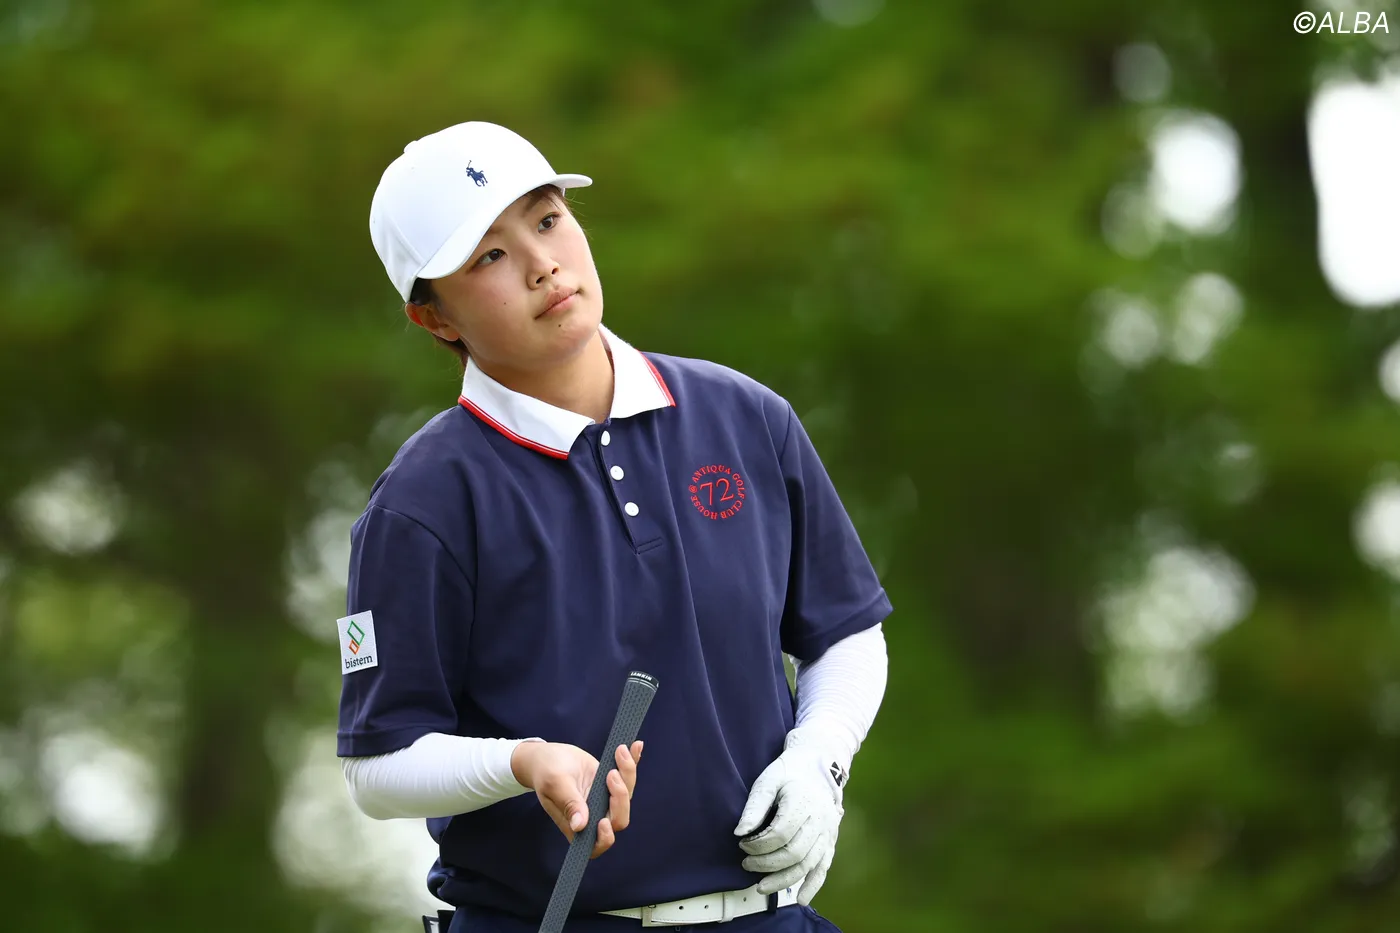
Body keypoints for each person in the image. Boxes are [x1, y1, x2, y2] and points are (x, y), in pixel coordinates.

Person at [337, 121, 891, 933]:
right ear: (435, 319)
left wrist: (821, 757)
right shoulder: (423, 501)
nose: (542, 264)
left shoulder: (746, 416)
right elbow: (378, 763)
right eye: (489, 256)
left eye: (547, 218)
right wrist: (521, 762)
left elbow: (845, 630)